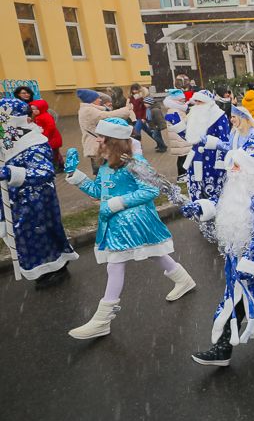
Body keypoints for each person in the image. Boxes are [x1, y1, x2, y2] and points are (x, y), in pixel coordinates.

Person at [64, 118, 196, 339]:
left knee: (115, 264)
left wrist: (117, 204)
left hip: (133, 222)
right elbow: (98, 191)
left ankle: (102, 320)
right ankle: (184, 280)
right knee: (154, 253)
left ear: (112, 140)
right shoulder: (107, 163)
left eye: (100, 136)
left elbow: (151, 191)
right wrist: (76, 176)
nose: (96, 139)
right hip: (117, 222)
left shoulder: (134, 162)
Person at [183, 136, 254, 366]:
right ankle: (222, 349)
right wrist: (202, 208)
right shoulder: (243, 184)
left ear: (253, 167)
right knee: (236, 299)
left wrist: (252, 266)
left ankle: (223, 349)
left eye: (238, 164)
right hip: (238, 258)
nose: (232, 168)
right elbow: (224, 203)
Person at [0, 98, 77, 288]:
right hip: (15, 202)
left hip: (37, 201)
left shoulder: (35, 143)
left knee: (40, 233)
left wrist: (12, 173)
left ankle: (54, 268)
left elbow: (44, 172)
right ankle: (42, 268)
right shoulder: (7, 145)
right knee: (22, 237)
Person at [185, 90, 231, 202]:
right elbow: (190, 138)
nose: (197, 105)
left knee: (213, 189)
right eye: (195, 102)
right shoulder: (193, 116)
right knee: (197, 188)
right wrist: (178, 127)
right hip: (196, 159)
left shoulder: (219, 116)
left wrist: (220, 162)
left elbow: (225, 141)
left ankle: (215, 213)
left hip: (212, 159)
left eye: (199, 102)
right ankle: (199, 211)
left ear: (207, 102)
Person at [76, 88, 130, 175]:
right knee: (101, 172)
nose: (100, 100)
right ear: (92, 100)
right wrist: (126, 110)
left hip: (96, 144)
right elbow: (108, 116)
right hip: (96, 145)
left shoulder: (89, 109)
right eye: (98, 98)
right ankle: (102, 186)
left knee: (102, 171)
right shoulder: (88, 111)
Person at [162, 89, 191, 180]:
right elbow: (181, 124)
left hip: (179, 136)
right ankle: (182, 174)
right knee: (183, 156)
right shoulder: (175, 110)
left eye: (184, 100)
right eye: (181, 100)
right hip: (179, 137)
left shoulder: (177, 109)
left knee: (183, 155)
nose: (183, 102)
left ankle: (183, 174)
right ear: (174, 100)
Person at [28, 98, 64, 171]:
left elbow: (51, 127)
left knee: (54, 154)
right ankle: (59, 166)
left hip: (52, 138)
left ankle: (57, 167)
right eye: (32, 109)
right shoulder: (38, 116)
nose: (34, 111)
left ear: (42, 108)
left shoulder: (46, 116)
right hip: (48, 138)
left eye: (36, 109)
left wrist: (45, 135)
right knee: (54, 154)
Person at [129, 84, 167, 152]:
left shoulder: (148, 102)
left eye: (136, 89)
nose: (134, 91)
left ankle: (162, 146)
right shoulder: (133, 98)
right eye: (133, 90)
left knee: (137, 132)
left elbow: (148, 110)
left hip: (146, 120)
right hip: (140, 118)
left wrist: (159, 126)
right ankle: (161, 145)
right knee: (151, 133)